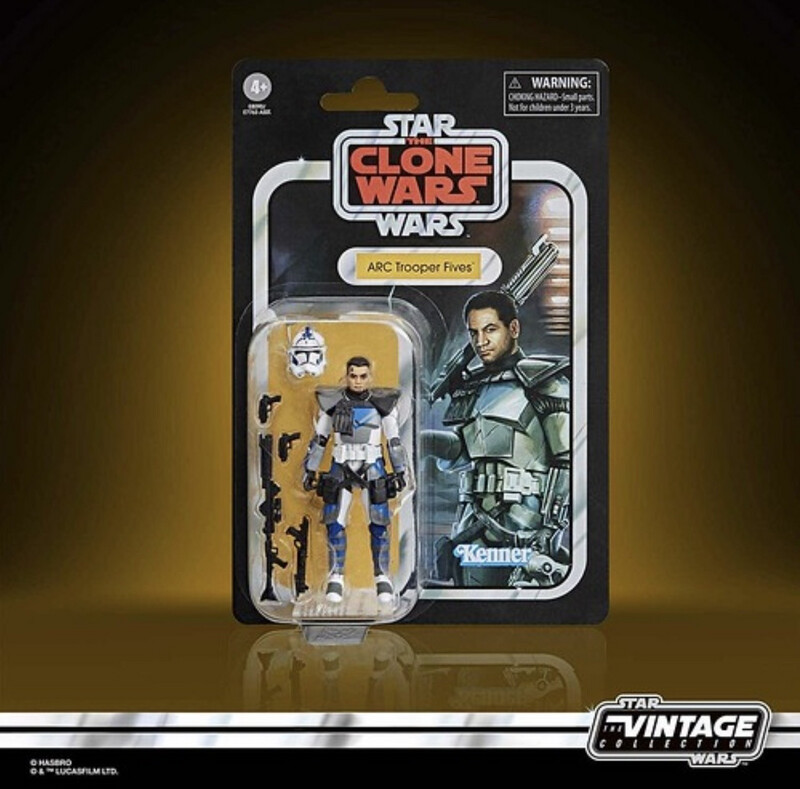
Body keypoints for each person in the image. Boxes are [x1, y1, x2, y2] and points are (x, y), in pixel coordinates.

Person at [428, 290, 570, 587]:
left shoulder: (544, 381)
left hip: (526, 520)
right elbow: (464, 452)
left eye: (490, 329)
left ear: (513, 328)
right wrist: (426, 442)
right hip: (474, 517)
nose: (481, 341)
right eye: (474, 333)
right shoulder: (475, 387)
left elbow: (568, 460)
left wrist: (551, 526)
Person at [303, 357, 408, 603]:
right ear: (346, 376)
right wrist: (309, 469)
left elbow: (394, 441)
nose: (358, 381)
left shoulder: (383, 404)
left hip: (372, 465)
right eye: (353, 376)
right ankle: (336, 576)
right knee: (334, 521)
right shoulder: (332, 403)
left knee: (379, 521)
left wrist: (400, 471)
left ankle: (382, 577)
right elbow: (320, 439)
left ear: (370, 377)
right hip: (341, 465)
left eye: (363, 376)